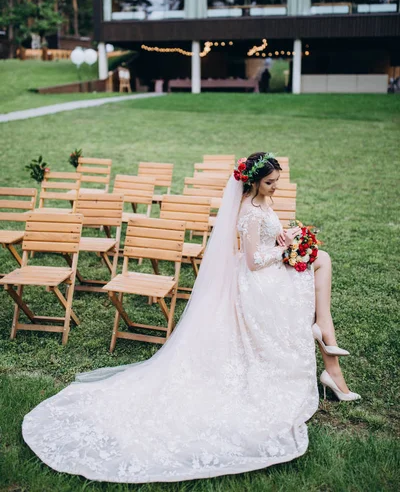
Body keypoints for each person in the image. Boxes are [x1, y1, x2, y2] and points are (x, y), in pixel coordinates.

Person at [22, 152, 360, 483]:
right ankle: (320, 337)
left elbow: (268, 241)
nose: (276, 188)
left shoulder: (263, 203)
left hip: (266, 271)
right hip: (257, 280)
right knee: (321, 264)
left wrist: (286, 238)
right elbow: (254, 261)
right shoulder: (249, 212)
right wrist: (284, 252)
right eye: (270, 183)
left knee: (321, 261)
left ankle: (319, 333)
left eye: (277, 182)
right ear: (255, 182)